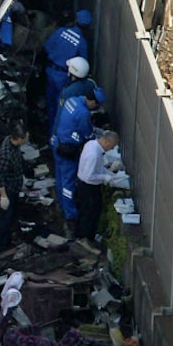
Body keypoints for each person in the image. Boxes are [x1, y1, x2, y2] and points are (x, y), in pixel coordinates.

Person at [52, 86, 106, 235]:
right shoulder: (83, 113)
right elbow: (87, 134)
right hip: (68, 149)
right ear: (92, 101)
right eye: (96, 105)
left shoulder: (72, 100)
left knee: (61, 178)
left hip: (59, 142)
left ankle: (63, 204)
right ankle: (71, 214)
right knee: (68, 184)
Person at [43, 10, 92, 129]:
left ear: (76, 20)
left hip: (50, 71)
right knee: (61, 106)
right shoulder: (82, 43)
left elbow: (46, 47)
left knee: (50, 104)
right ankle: (55, 135)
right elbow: (82, 65)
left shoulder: (60, 31)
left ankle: (49, 129)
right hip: (65, 76)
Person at [74, 129, 120, 254]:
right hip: (88, 186)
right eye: (112, 145)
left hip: (88, 185)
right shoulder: (94, 154)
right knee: (89, 212)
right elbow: (90, 175)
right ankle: (84, 238)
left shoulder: (92, 145)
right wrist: (106, 177)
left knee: (93, 210)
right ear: (106, 141)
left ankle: (89, 236)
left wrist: (110, 173)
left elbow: (98, 168)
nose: (112, 148)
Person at [0, 118, 28, 254]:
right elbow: (0, 175)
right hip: (8, 189)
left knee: (11, 216)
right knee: (5, 218)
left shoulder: (12, 142)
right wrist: (3, 196)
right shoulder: (6, 154)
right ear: (19, 139)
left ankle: (7, 242)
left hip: (15, 185)